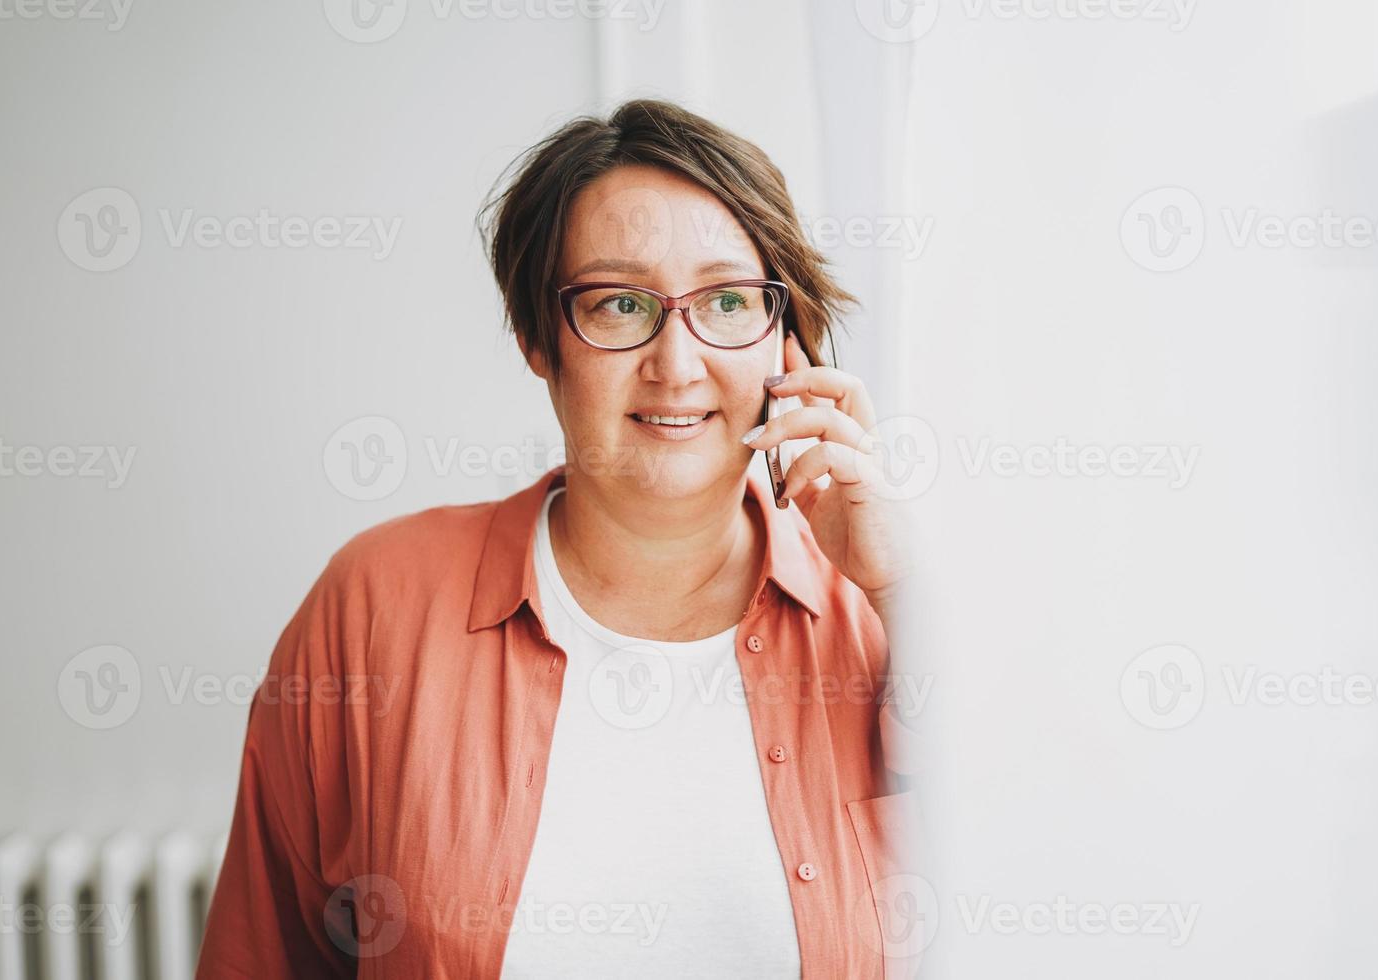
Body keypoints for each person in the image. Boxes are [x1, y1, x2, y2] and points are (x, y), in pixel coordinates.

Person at [196, 98, 927, 980]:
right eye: (620, 304)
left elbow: (1049, 883)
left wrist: (903, 598)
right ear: (539, 340)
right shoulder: (373, 607)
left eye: (728, 300)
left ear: (786, 340)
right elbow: (260, 956)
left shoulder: (886, 615)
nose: (678, 364)